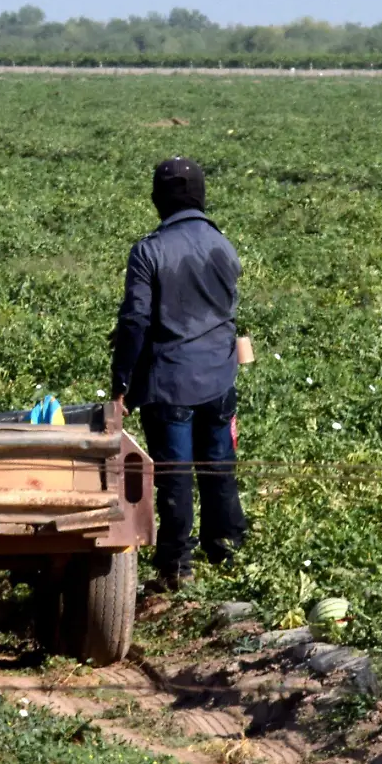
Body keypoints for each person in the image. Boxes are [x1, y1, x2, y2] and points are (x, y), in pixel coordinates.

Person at [110, 157, 246, 592]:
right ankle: (226, 549)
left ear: (158, 200)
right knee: (219, 464)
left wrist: (121, 383)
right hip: (219, 377)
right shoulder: (224, 246)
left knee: (174, 471)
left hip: (169, 381)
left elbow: (135, 321)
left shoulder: (149, 250)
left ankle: (176, 564)